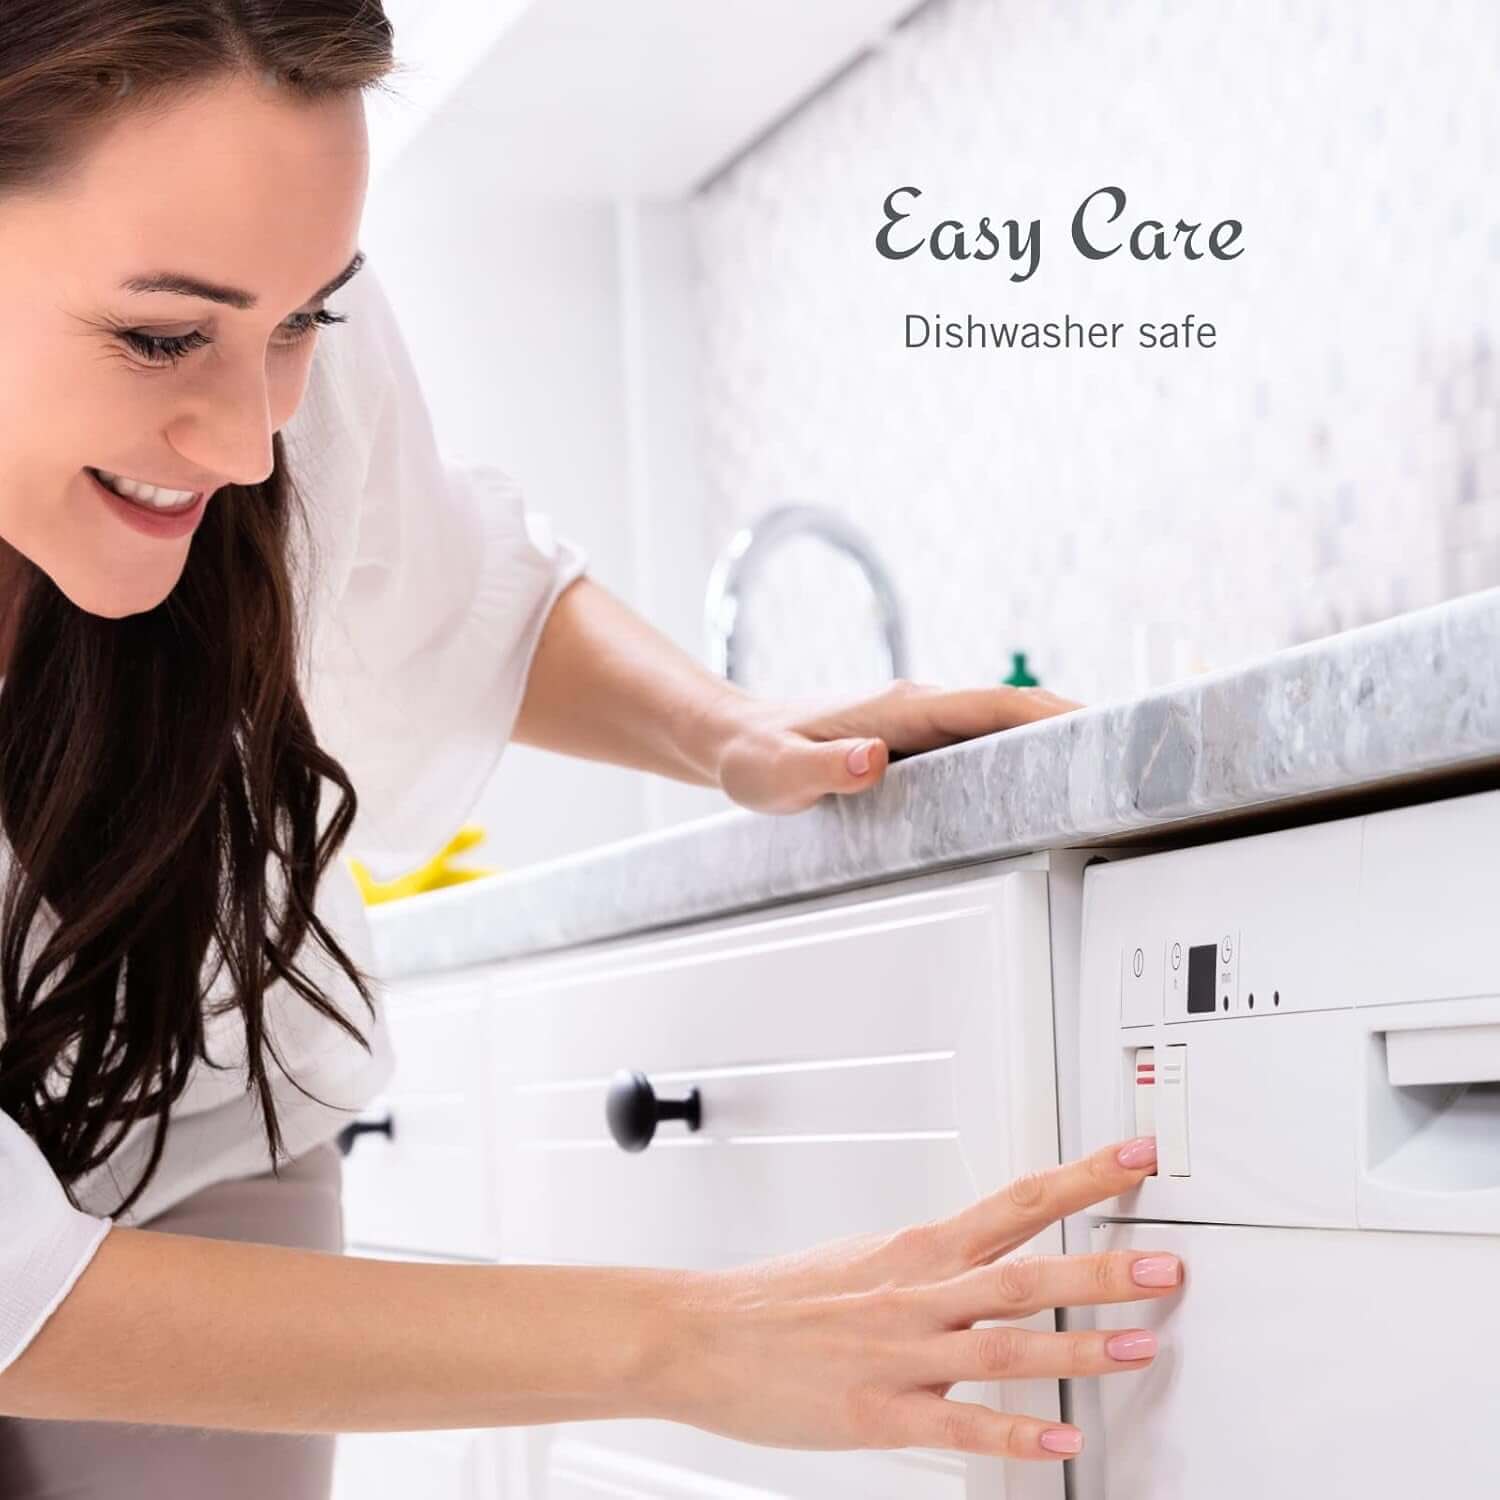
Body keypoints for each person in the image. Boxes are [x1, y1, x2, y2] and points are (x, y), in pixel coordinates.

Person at [0, 4, 1182, 1496]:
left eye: (307, 317)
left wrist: (731, 729)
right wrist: (692, 1342)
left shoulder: (258, 346)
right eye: (161, 338)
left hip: (186, 1103)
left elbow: (448, 585)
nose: (249, 439)